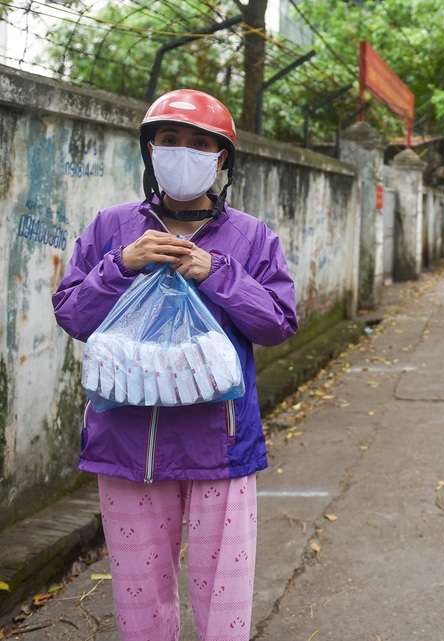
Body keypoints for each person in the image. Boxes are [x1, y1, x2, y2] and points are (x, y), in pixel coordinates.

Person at [52, 89, 299, 641]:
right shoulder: (112, 228)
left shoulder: (252, 237)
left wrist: (220, 273)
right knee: (140, 602)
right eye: (169, 141)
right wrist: (122, 264)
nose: (183, 152)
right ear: (150, 151)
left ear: (222, 159)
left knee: (224, 603)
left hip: (220, 444)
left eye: (200, 143)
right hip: (127, 443)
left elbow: (279, 324)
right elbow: (72, 314)